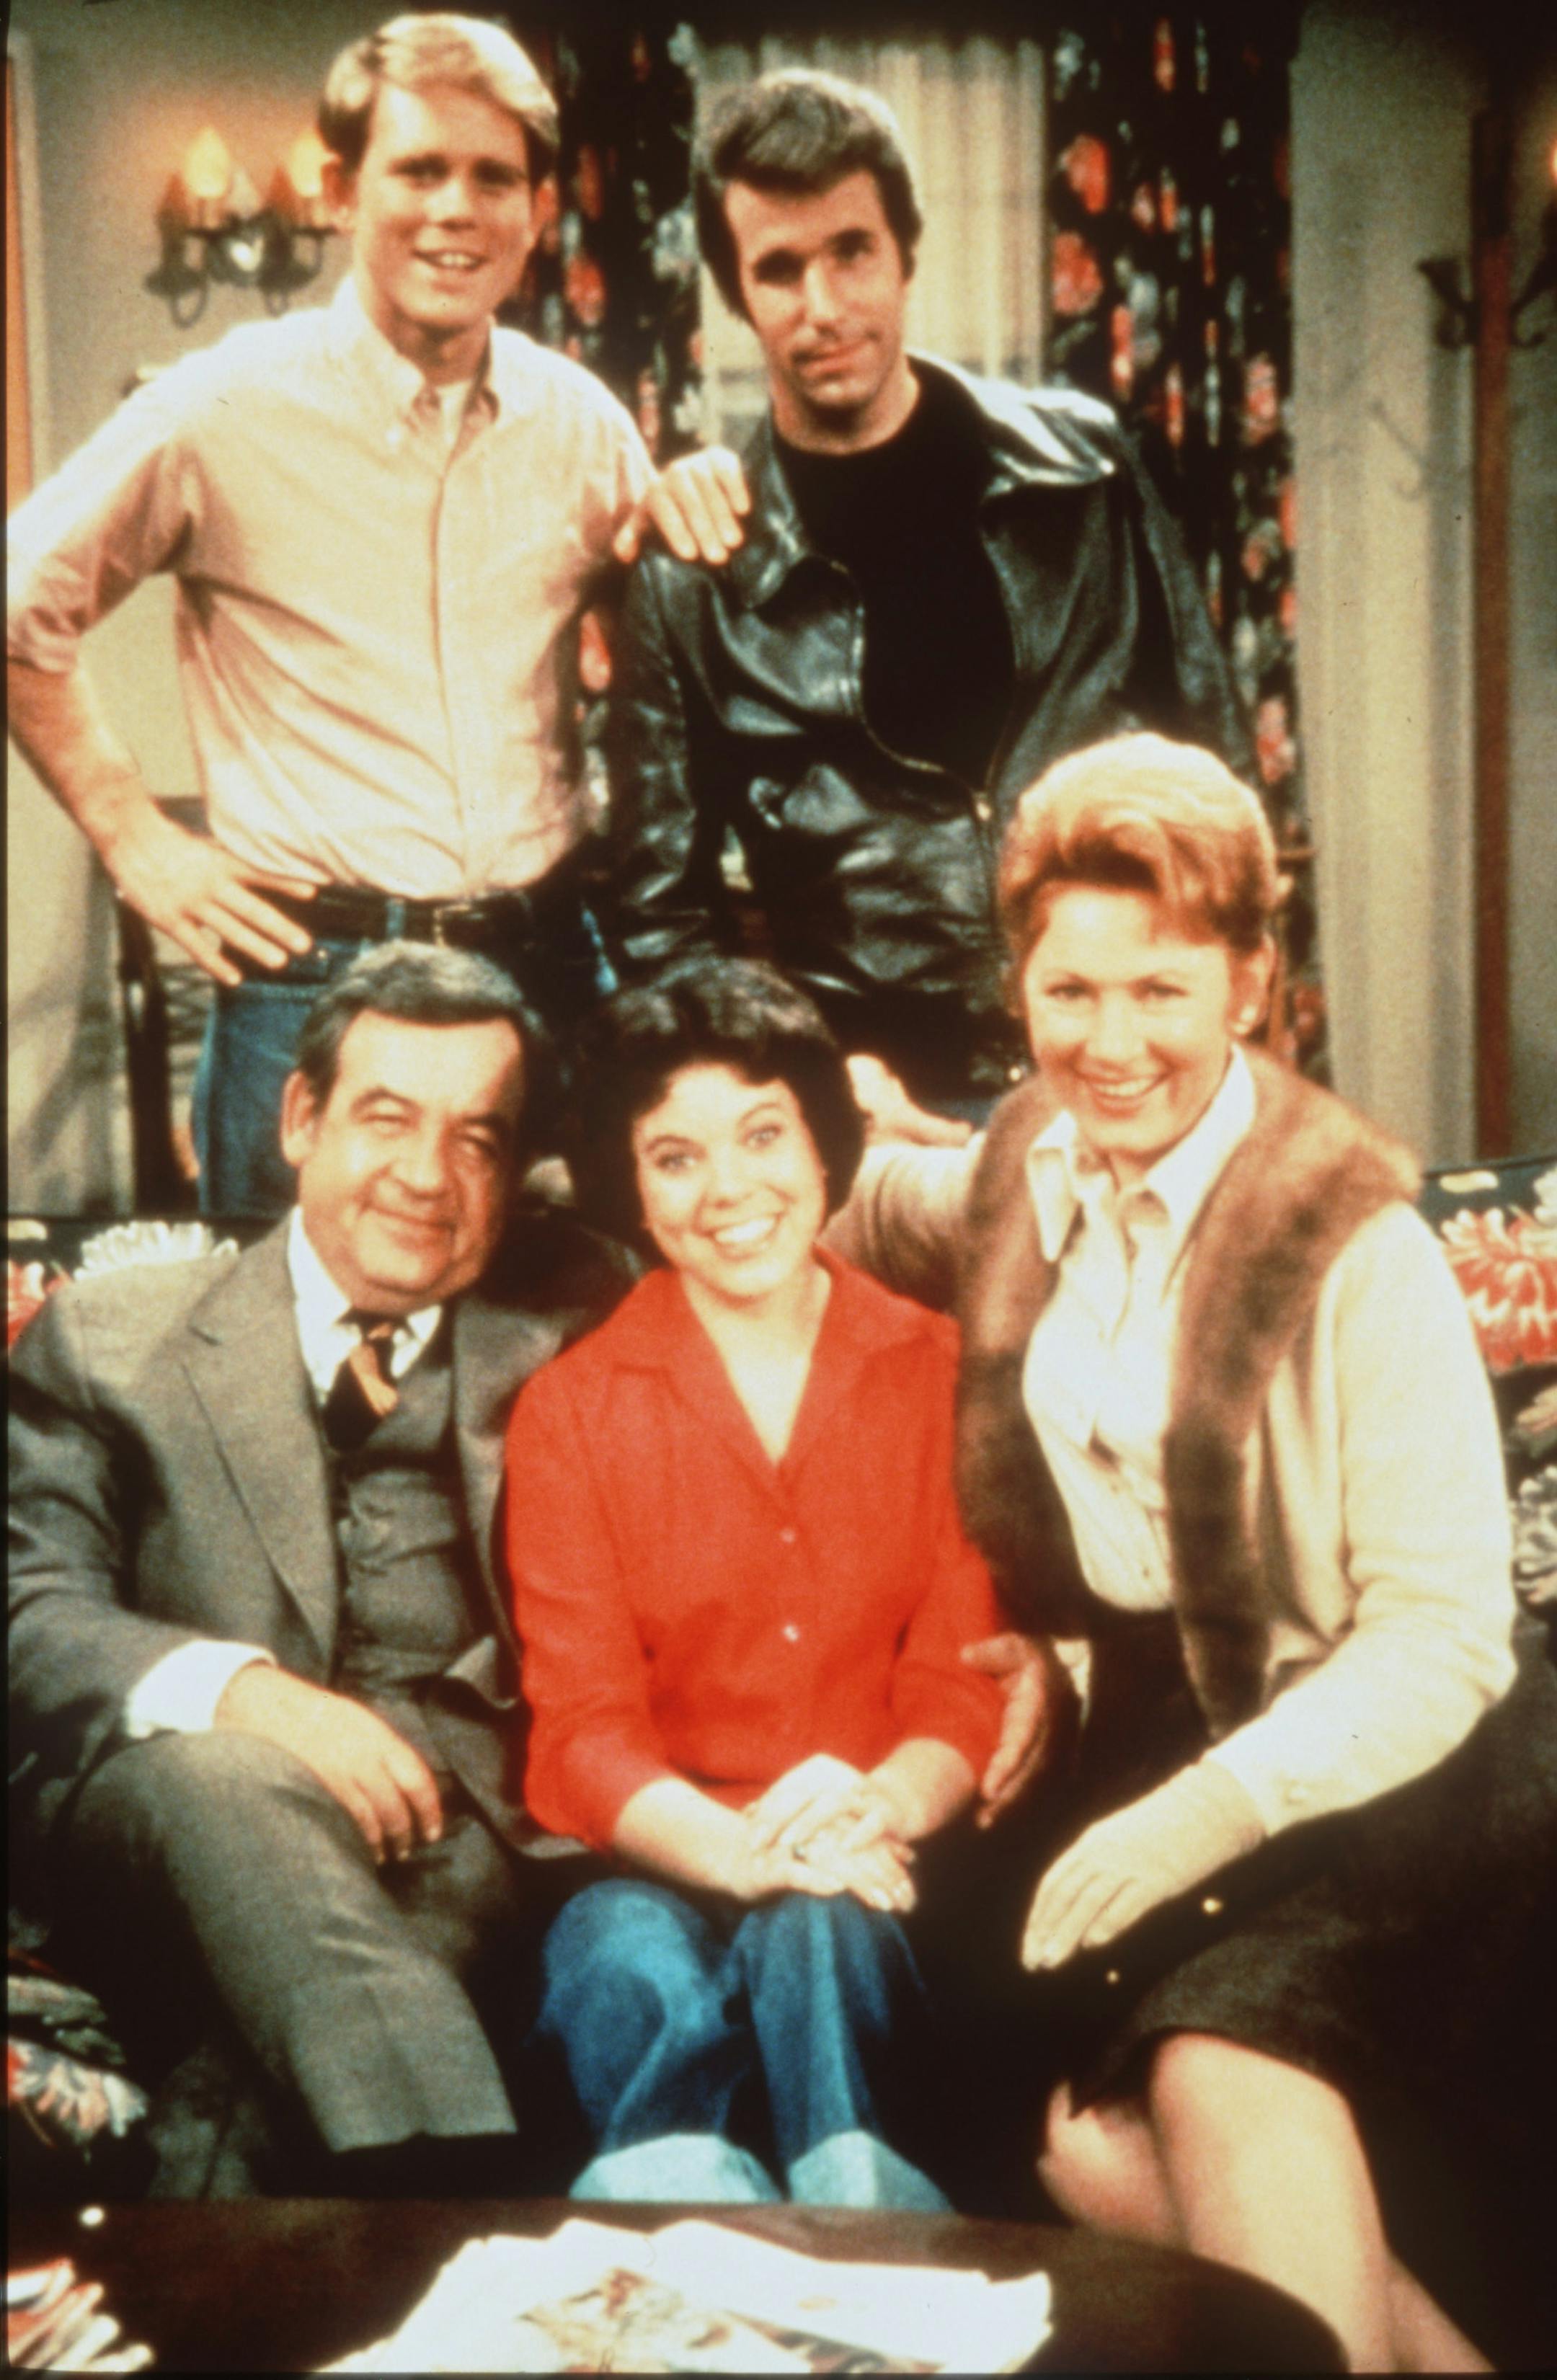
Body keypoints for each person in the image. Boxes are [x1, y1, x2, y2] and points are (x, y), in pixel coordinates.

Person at [830, 732, 1557, 2368]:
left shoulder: (1352, 1240)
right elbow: (846, 1206)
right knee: (1081, 2145)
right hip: (1166, 1729)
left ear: (1252, 981)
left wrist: (1205, 1811)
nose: (1111, 1044)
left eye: (1161, 991)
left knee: (1217, 2059)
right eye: (1069, 992)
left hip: (1405, 1752)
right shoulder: (1018, 1164)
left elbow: (1447, 1634)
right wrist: (591, 1203)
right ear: (1018, 984)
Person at [5, 12, 747, 1215]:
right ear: (346, 192)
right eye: (420, 170)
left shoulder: (582, 422)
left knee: (568, 1334)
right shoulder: (219, 409)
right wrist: (133, 836)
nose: (456, 208)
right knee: (287, 1366)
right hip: (316, 976)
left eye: (493, 176)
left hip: (545, 951)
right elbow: (15, 605)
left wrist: (687, 500)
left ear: (538, 212)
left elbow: (648, 624)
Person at [7, 943, 635, 2196]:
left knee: (241, 2101)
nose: (424, 1175)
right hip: (164, 1812)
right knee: (228, 1779)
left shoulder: (581, 1312)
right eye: (386, 1118)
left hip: (449, 1828)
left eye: (477, 1139)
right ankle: (461, 2191)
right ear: (299, 1119)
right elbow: (27, 1610)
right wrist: (248, 1693)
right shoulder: (111, 1335)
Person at [603, 70, 1250, 1145]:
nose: (824, 307)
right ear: (735, 296)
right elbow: (663, 926)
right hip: (883, 1115)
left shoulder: (1085, 470)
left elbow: (1216, 774)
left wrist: (1214, 1048)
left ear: (905, 249)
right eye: (779, 269)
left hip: (1127, 1075)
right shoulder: (693, 577)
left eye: (851, 251)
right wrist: (809, 1082)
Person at [504, 959, 1007, 2206]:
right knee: (614, 1952)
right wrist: (742, 1853)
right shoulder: (568, 1411)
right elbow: (582, 1733)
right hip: (665, 1855)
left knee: (819, 1932)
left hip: (880, 1856)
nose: (731, 1189)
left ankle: (867, 2220)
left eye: (764, 1135)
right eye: (676, 1156)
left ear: (828, 1145)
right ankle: (674, 2220)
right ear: (630, 1185)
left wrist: (865, 1817)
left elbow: (964, 1690)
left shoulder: (941, 1368)